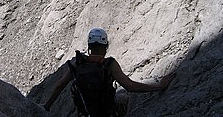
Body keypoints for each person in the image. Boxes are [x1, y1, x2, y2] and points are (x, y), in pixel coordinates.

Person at [42, 28, 176, 117]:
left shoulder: (78, 64)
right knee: (124, 97)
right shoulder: (109, 64)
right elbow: (130, 86)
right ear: (105, 46)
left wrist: (46, 107)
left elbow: (59, 85)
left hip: (86, 113)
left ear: (89, 46)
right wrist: (159, 86)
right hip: (108, 112)